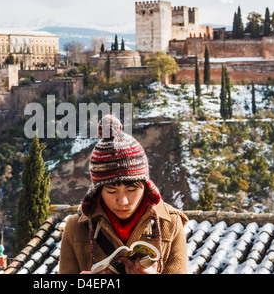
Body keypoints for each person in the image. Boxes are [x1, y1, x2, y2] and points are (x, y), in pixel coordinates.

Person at [59, 114, 188, 274]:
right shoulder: (76, 229)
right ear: (97, 190)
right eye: (111, 191)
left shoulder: (170, 224)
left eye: (132, 190)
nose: (123, 201)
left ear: (146, 186)